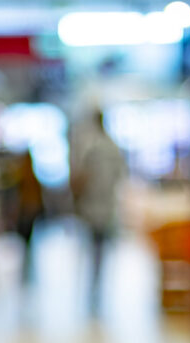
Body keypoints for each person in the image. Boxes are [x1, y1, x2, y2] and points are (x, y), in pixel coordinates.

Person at [69, 108, 127, 312]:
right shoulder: (113, 147)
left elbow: (81, 177)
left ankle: (93, 284)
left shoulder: (91, 147)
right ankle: (98, 283)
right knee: (100, 249)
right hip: (106, 206)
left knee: (92, 246)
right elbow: (121, 176)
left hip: (92, 206)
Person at [14, 150, 44, 283]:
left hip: (27, 211)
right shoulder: (27, 176)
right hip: (29, 211)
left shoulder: (24, 176)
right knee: (27, 239)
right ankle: (27, 263)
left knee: (26, 239)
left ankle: (26, 264)